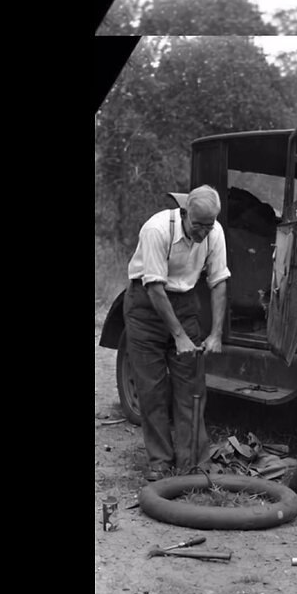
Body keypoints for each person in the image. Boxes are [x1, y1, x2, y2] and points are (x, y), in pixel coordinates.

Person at [123, 185, 230, 482]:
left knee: (192, 386)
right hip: (146, 306)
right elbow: (155, 287)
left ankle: (191, 462)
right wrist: (179, 337)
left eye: (209, 225)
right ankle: (160, 461)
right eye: (198, 225)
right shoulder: (157, 229)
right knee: (152, 389)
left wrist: (216, 333)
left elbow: (219, 281)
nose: (203, 232)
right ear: (184, 213)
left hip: (184, 302)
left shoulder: (214, 232)